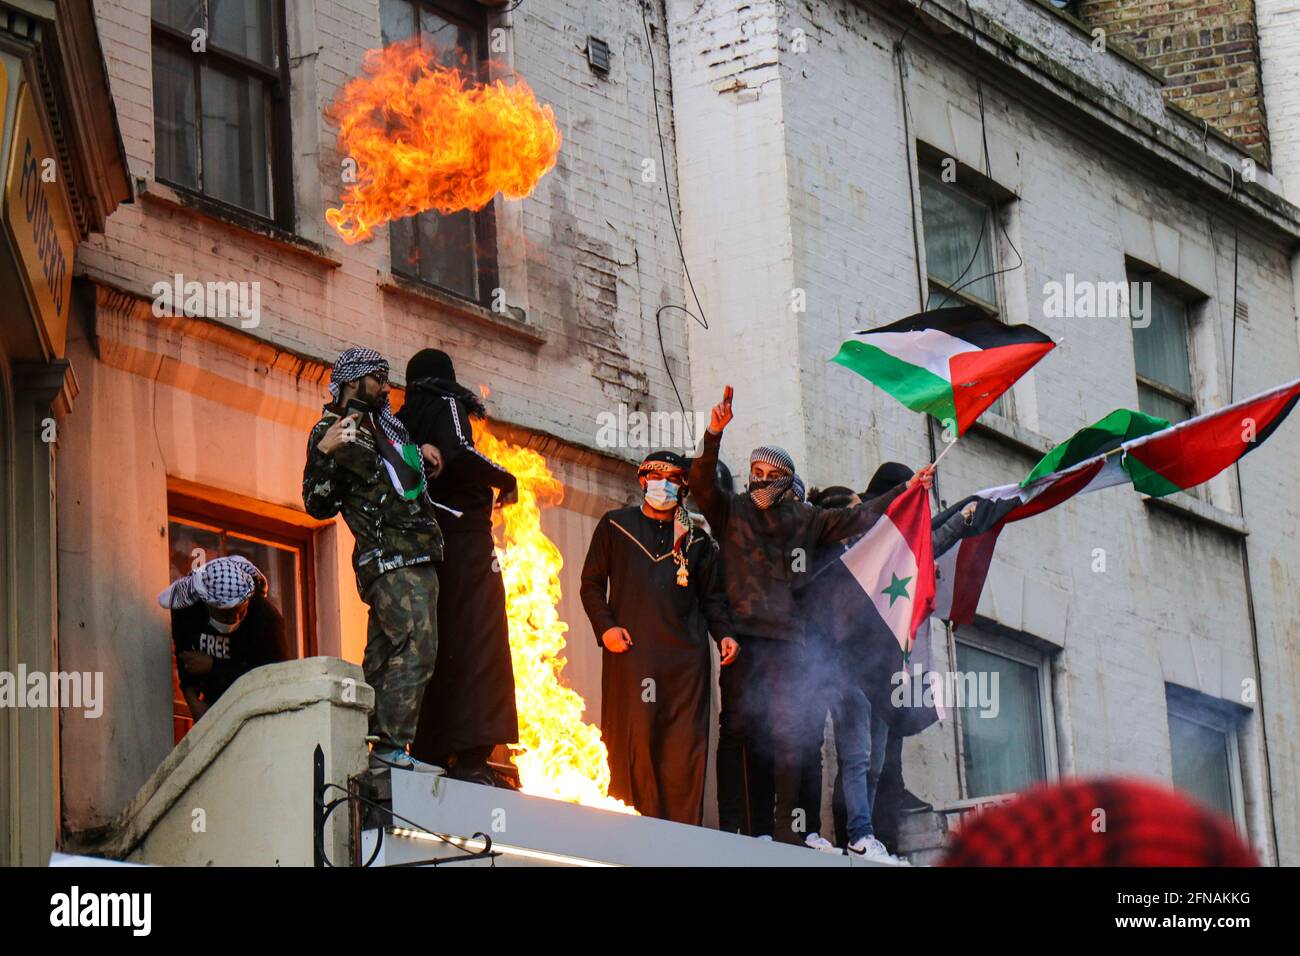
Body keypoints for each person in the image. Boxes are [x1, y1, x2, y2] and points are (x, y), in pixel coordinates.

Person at [688, 386, 933, 844]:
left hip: (788, 643)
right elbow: (702, 484)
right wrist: (714, 435)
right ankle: (742, 830)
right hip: (743, 640)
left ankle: (787, 833)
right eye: (754, 473)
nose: (759, 481)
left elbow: (862, 519)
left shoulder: (807, 518)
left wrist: (907, 490)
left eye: (769, 474)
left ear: (786, 480)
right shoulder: (733, 512)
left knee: (789, 736)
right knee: (738, 732)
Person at [809, 464, 974, 860]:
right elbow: (922, 541)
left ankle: (868, 840)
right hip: (849, 673)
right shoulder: (845, 554)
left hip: (882, 672)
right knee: (858, 756)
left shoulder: (883, 540)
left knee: (877, 764)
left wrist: (966, 515)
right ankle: (859, 833)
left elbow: (926, 539)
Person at [303, 346, 445, 772]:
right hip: (389, 558)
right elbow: (317, 504)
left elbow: (398, 477)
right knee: (418, 646)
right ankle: (390, 748)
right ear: (352, 381)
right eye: (377, 378)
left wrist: (423, 453)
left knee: (384, 656)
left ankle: (372, 750)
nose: (386, 386)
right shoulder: (334, 428)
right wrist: (324, 454)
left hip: (415, 553)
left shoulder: (385, 428)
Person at [580, 451, 740, 825]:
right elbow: (590, 585)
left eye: (671, 477)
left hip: (685, 665)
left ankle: (679, 837)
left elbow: (713, 600)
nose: (662, 484)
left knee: (682, 749)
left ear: (683, 486)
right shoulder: (615, 525)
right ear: (641, 480)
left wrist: (725, 635)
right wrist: (606, 627)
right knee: (634, 743)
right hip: (632, 655)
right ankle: (630, 832)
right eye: (655, 475)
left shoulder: (697, 541)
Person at [398, 348, 520, 787]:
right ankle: (472, 758)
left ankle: (432, 748)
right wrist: (507, 479)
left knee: (441, 645)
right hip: (465, 538)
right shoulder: (446, 404)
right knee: (480, 645)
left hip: (429, 547)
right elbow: (460, 452)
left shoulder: (402, 419)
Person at [159, 555, 289, 721]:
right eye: (225, 613)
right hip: (213, 704)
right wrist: (192, 701)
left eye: (240, 611)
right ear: (206, 604)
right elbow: (185, 659)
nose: (233, 619)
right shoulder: (186, 610)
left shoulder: (266, 619)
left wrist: (213, 666)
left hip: (258, 712)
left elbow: (274, 680)